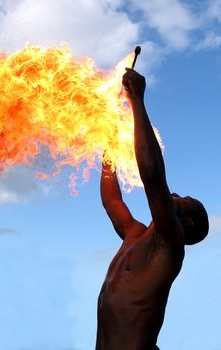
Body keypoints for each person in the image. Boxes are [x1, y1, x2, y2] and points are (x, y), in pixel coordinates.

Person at [96, 68, 209, 350]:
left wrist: (137, 102)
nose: (175, 193)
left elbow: (154, 178)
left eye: (184, 198)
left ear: (188, 222)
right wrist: (108, 156)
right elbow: (113, 202)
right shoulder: (135, 235)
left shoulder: (170, 245)